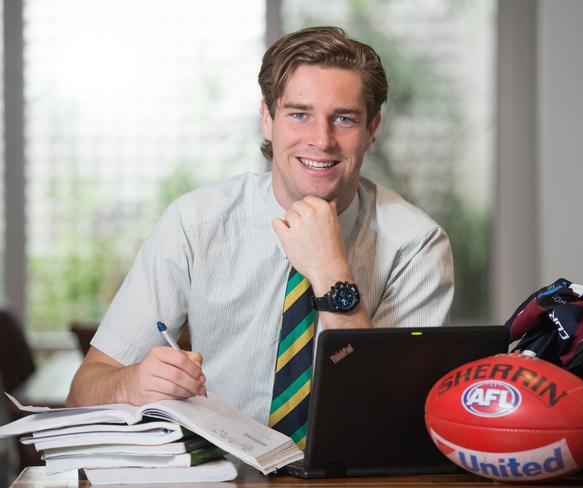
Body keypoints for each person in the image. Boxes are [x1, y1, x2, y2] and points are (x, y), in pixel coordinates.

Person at [66, 26, 454, 425]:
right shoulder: (195, 224)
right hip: (226, 474)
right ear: (267, 119)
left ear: (372, 129)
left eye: (344, 119)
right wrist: (130, 384)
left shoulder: (416, 244)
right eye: (299, 114)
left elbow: (394, 418)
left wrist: (330, 273)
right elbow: (81, 393)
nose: (321, 140)